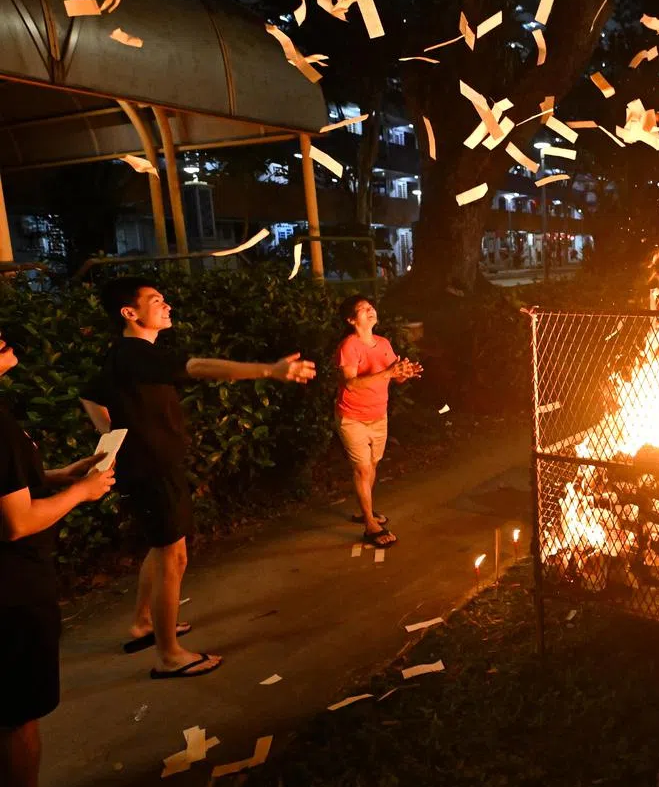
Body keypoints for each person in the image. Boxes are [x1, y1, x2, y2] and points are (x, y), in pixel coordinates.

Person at [80, 278, 316, 681]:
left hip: (153, 464)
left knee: (162, 550)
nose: (167, 305)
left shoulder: (121, 355)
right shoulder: (135, 353)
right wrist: (270, 370)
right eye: (156, 300)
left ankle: (143, 623)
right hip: (154, 469)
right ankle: (169, 655)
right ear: (130, 313)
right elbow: (199, 367)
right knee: (173, 557)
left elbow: (89, 393)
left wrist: (113, 434)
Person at [0, 327, 116, 787]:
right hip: (12, 588)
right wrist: (81, 492)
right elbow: (16, 522)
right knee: (17, 712)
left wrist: (57, 475)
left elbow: (11, 487)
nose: (4, 338)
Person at [335, 295, 421, 547]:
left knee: (372, 465)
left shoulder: (383, 343)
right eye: (363, 309)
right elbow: (351, 384)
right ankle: (370, 525)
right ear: (351, 320)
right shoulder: (349, 346)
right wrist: (388, 373)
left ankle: (365, 510)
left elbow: (396, 377)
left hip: (378, 414)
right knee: (362, 469)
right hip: (352, 416)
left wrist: (405, 372)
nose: (370, 310)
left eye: (371, 307)